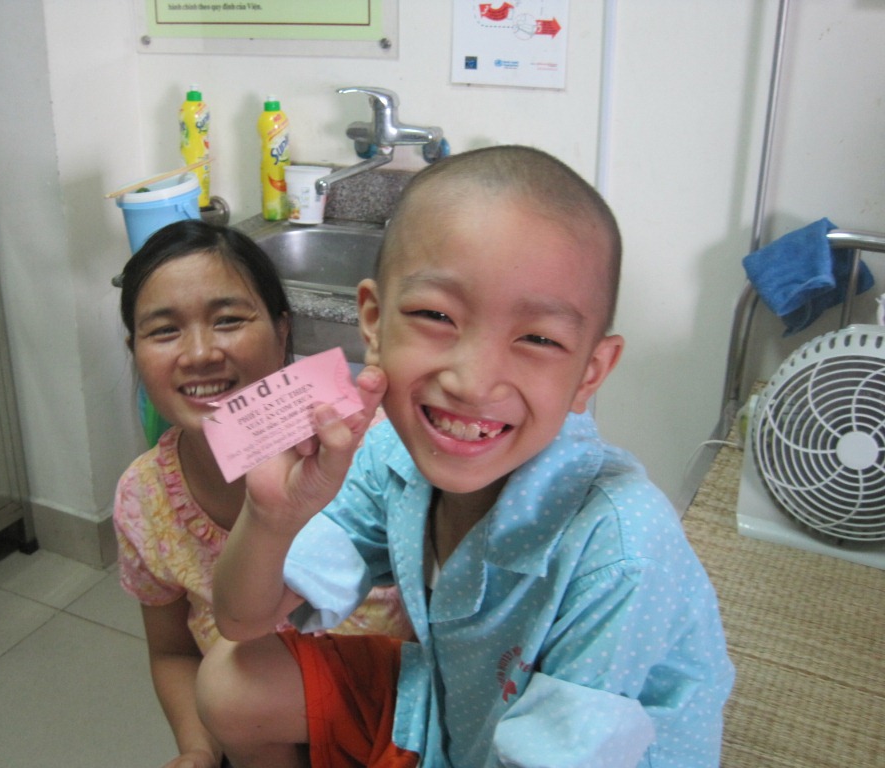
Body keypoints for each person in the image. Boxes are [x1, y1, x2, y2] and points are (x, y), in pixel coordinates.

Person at [196, 145, 735, 768]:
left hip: (569, 754)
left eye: (538, 338)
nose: (474, 382)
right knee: (231, 680)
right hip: (455, 706)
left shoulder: (621, 551)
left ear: (591, 372)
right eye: (436, 315)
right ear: (372, 322)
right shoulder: (388, 455)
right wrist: (272, 517)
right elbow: (243, 620)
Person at [112, 220, 412, 768]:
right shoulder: (144, 496)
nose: (199, 353)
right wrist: (197, 750)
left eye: (228, 320)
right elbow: (173, 653)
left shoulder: (371, 451)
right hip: (251, 737)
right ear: (135, 350)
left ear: (282, 329)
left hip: (389, 730)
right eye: (164, 331)